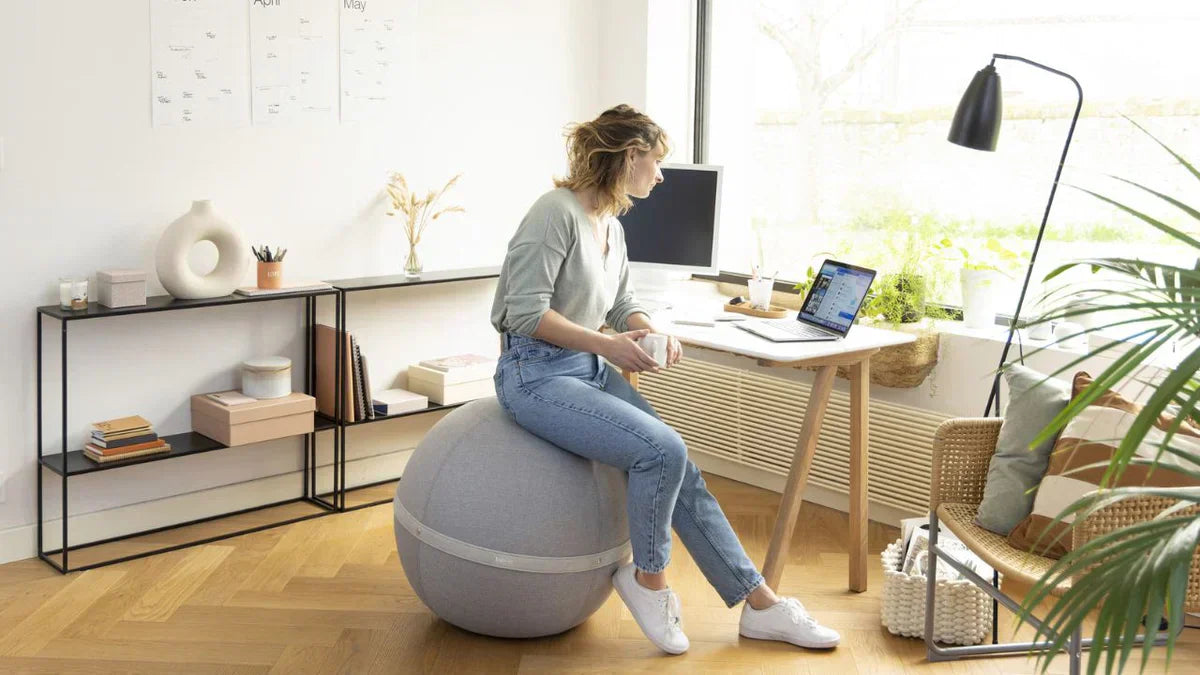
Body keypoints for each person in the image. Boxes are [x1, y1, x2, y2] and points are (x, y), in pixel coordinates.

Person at [489, 104, 839, 655]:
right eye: (656, 161)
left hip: (585, 369)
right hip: (532, 373)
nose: (660, 173)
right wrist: (609, 345)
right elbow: (524, 314)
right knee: (662, 451)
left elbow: (622, 300)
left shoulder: (611, 224)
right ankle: (648, 581)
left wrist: (648, 330)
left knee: (683, 469)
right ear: (630, 156)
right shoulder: (553, 213)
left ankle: (761, 605)